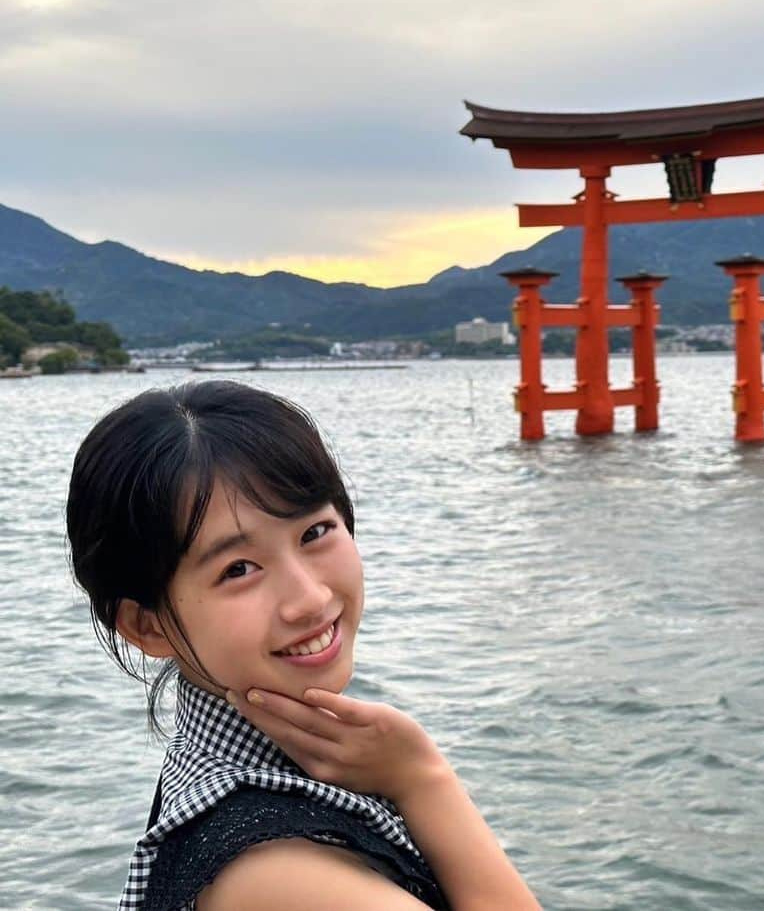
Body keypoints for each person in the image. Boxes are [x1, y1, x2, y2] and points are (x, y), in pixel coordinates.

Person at [66, 380, 542, 911]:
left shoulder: (225, 773)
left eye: (315, 532)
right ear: (147, 626)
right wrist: (424, 780)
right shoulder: (274, 874)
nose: (310, 599)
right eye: (238, 569)